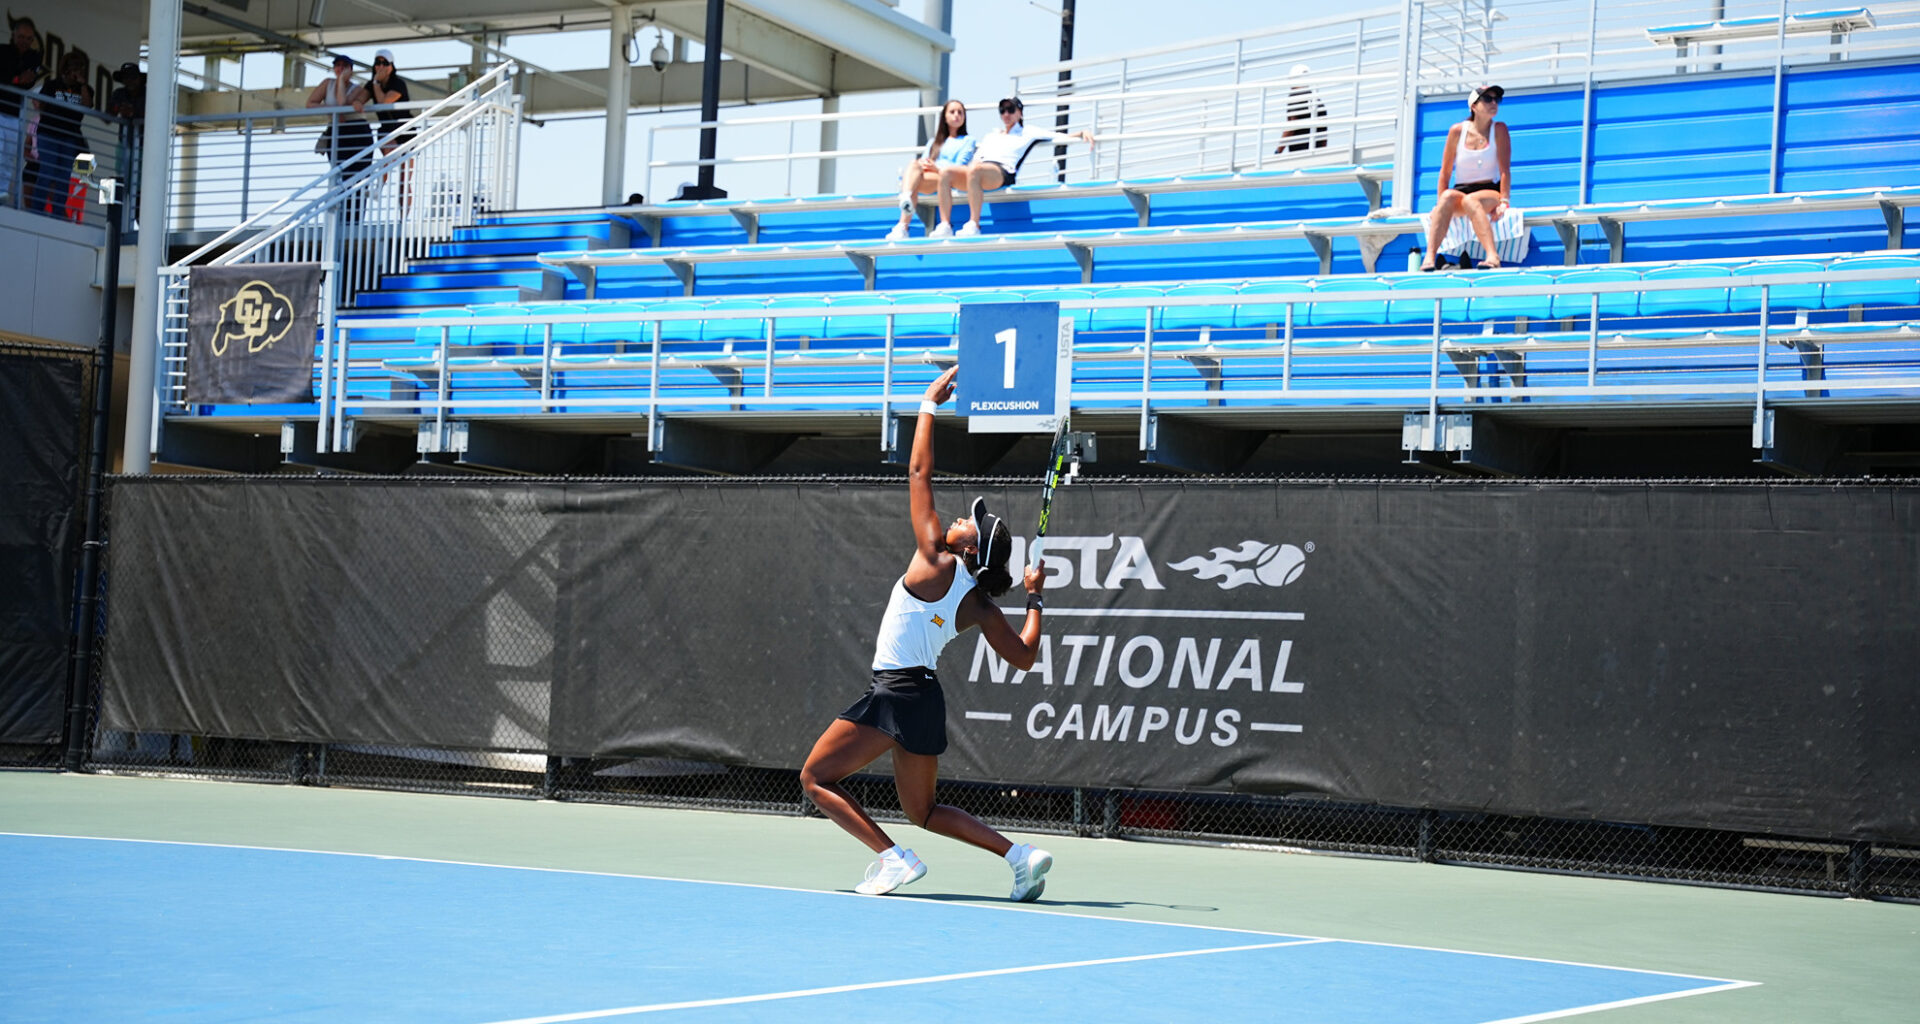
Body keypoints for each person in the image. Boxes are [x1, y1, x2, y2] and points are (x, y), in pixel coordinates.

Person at [799, 364, 1055, 901]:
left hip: (895, 692)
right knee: (924, 811)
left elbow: (919, 473)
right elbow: (1026, 656)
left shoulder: (935, 559)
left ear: (968, 548)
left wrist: (927, 404)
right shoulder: (980, 604)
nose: (962, 516)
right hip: (925, 699)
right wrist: (1034, 594)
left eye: (969, 523)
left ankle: (893, 860)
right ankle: (1021, 857)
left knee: (816, 779)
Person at [939, 96, 1094, 238]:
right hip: (979, 171)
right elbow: (976, 159)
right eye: (1002, 110)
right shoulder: (992, 135)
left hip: (1003, 171)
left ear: (1019, 113)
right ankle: (945, 225)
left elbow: (1059, 137)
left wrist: (1081, 132)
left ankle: (974, 224)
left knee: (975, 170)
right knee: (946, 173)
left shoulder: (1028, 131)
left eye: (1011, 110)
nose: (1006, 114)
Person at [1420, 84, 1512, 271]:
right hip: (1461, 190)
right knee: (1447, 197)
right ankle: (1429, 257)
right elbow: (1445, 172)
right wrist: (1440, 205)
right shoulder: (1457, 131)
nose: (1494, 103)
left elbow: (1504, 170)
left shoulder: (1500, 129)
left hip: (1489, 190)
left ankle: (1493, 257)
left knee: (1471, 201)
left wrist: (1504, 200)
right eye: (1487, 99)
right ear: (1473, 106)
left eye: (1497, 99)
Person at [885, 98, 975, 242]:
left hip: (948, 178)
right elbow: (924, 162)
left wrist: (936, 167)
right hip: (929, 177)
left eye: (960, 113)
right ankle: (905, 203)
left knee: (914, 181)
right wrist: (927, 165)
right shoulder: (934, 142)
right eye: (952, 112)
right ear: (944, 117)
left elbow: (960, 167)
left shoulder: (967, 140)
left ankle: (902, 225)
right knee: (914, 164)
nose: (957, 115)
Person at [307, 53, 375, 223]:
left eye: (344, 66)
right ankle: (341, 218)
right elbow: (311, 103)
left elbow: (342, 103)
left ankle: (355, 220)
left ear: (350, 70)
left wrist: (340, 84)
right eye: (337, 65)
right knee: (339, 176)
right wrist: (331, 108)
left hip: (356, 134)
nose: (340, 69)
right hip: (337, 133)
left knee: (358, 177)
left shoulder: (357, 88)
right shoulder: (326, 83)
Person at [28, 50, 92, 220]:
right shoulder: (52, 84)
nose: (77, 71)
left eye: (79, 67)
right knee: (47, 171)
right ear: (65, 68)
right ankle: (37, 210)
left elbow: (88, 105)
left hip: (70, 136)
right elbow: (41, 106)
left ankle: (57, 214)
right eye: (73, 67)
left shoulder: (85, 89)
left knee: (64, 177)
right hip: (49, 134)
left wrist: (83, 84)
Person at [0, 17, 45, 204]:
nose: (24, 41)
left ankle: (2, 193)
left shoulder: (34, 56)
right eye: (21, 37)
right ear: (13, 35)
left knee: (9, 154)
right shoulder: (2, 51)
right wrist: (17, 80)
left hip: (15, 111)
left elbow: (30, 80)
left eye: (28, 38)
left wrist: (16, 80)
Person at [368, 49, 415, 211]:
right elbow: (358, 99)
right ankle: (378, 188)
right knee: (388, 155)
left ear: (391, 67)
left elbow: (384, 102)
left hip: (405, 129)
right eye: (377, 63)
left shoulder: (398, 84)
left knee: (404, 176)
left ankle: (404, 217)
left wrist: (375, 84)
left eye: (384, 63)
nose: (380, 66)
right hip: (387, 128)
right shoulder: (371, 84)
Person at [1276, 64, 1327, 155]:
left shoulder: (1295, 96)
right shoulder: (1317, 100)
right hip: (1317, 152)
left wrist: (1278, 151)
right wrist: (1322, 153)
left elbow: (1292, 125)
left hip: (1299, 151)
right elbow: (1324, 130)